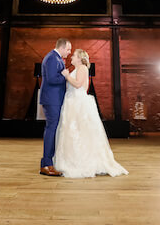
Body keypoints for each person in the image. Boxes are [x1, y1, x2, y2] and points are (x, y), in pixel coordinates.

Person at [53, 49, 128, 178]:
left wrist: (66, 76)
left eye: (74, 56)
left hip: (78, 102)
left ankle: (84, 162)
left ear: (80, 59)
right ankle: (72, 159)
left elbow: (78, 84)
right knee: (71, 131)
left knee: (81, 131)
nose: (71, 57)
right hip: (71, 102)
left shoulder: (82, 68)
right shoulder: (77, 69)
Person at [39, 38, 72, 177]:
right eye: (69, 49)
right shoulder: (53, 58)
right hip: (52, 99)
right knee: (51, 129)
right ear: (62, 47)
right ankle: (46, 164)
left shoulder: (55, 58)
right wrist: (66, 76)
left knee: (53, 129)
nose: (69, 53)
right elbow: (52, 79)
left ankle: (49, 162)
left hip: (54, 99)